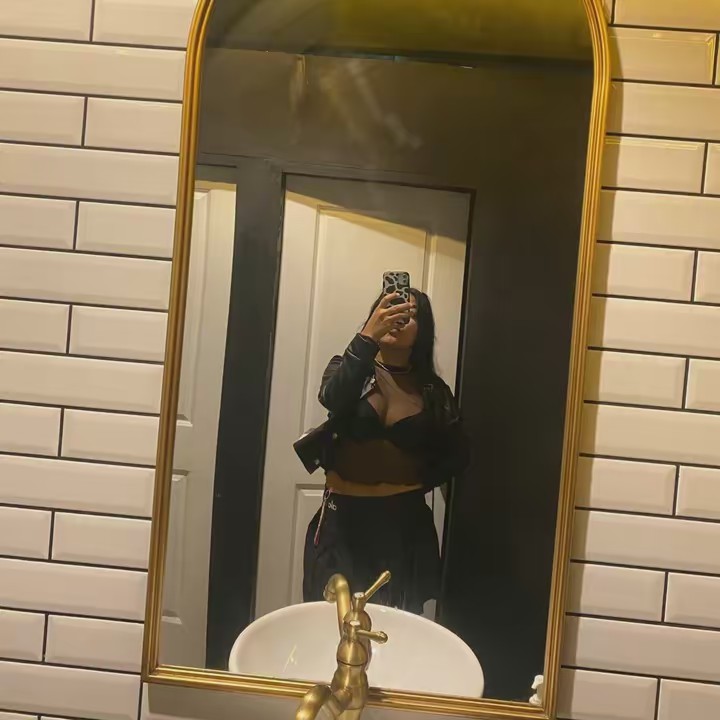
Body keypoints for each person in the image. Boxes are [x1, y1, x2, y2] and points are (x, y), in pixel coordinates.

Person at [302, 289, 469, 613]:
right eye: (389, 308)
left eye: (409, 314)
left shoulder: (431, 390)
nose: (398, 318)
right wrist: (367, 337)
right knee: (331, 617)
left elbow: (458, 455)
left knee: (396, 624)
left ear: (423, 330)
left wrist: (417, 479)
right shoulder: (345, 368)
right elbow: (333, 398)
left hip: (403, 523)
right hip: (343, 520)